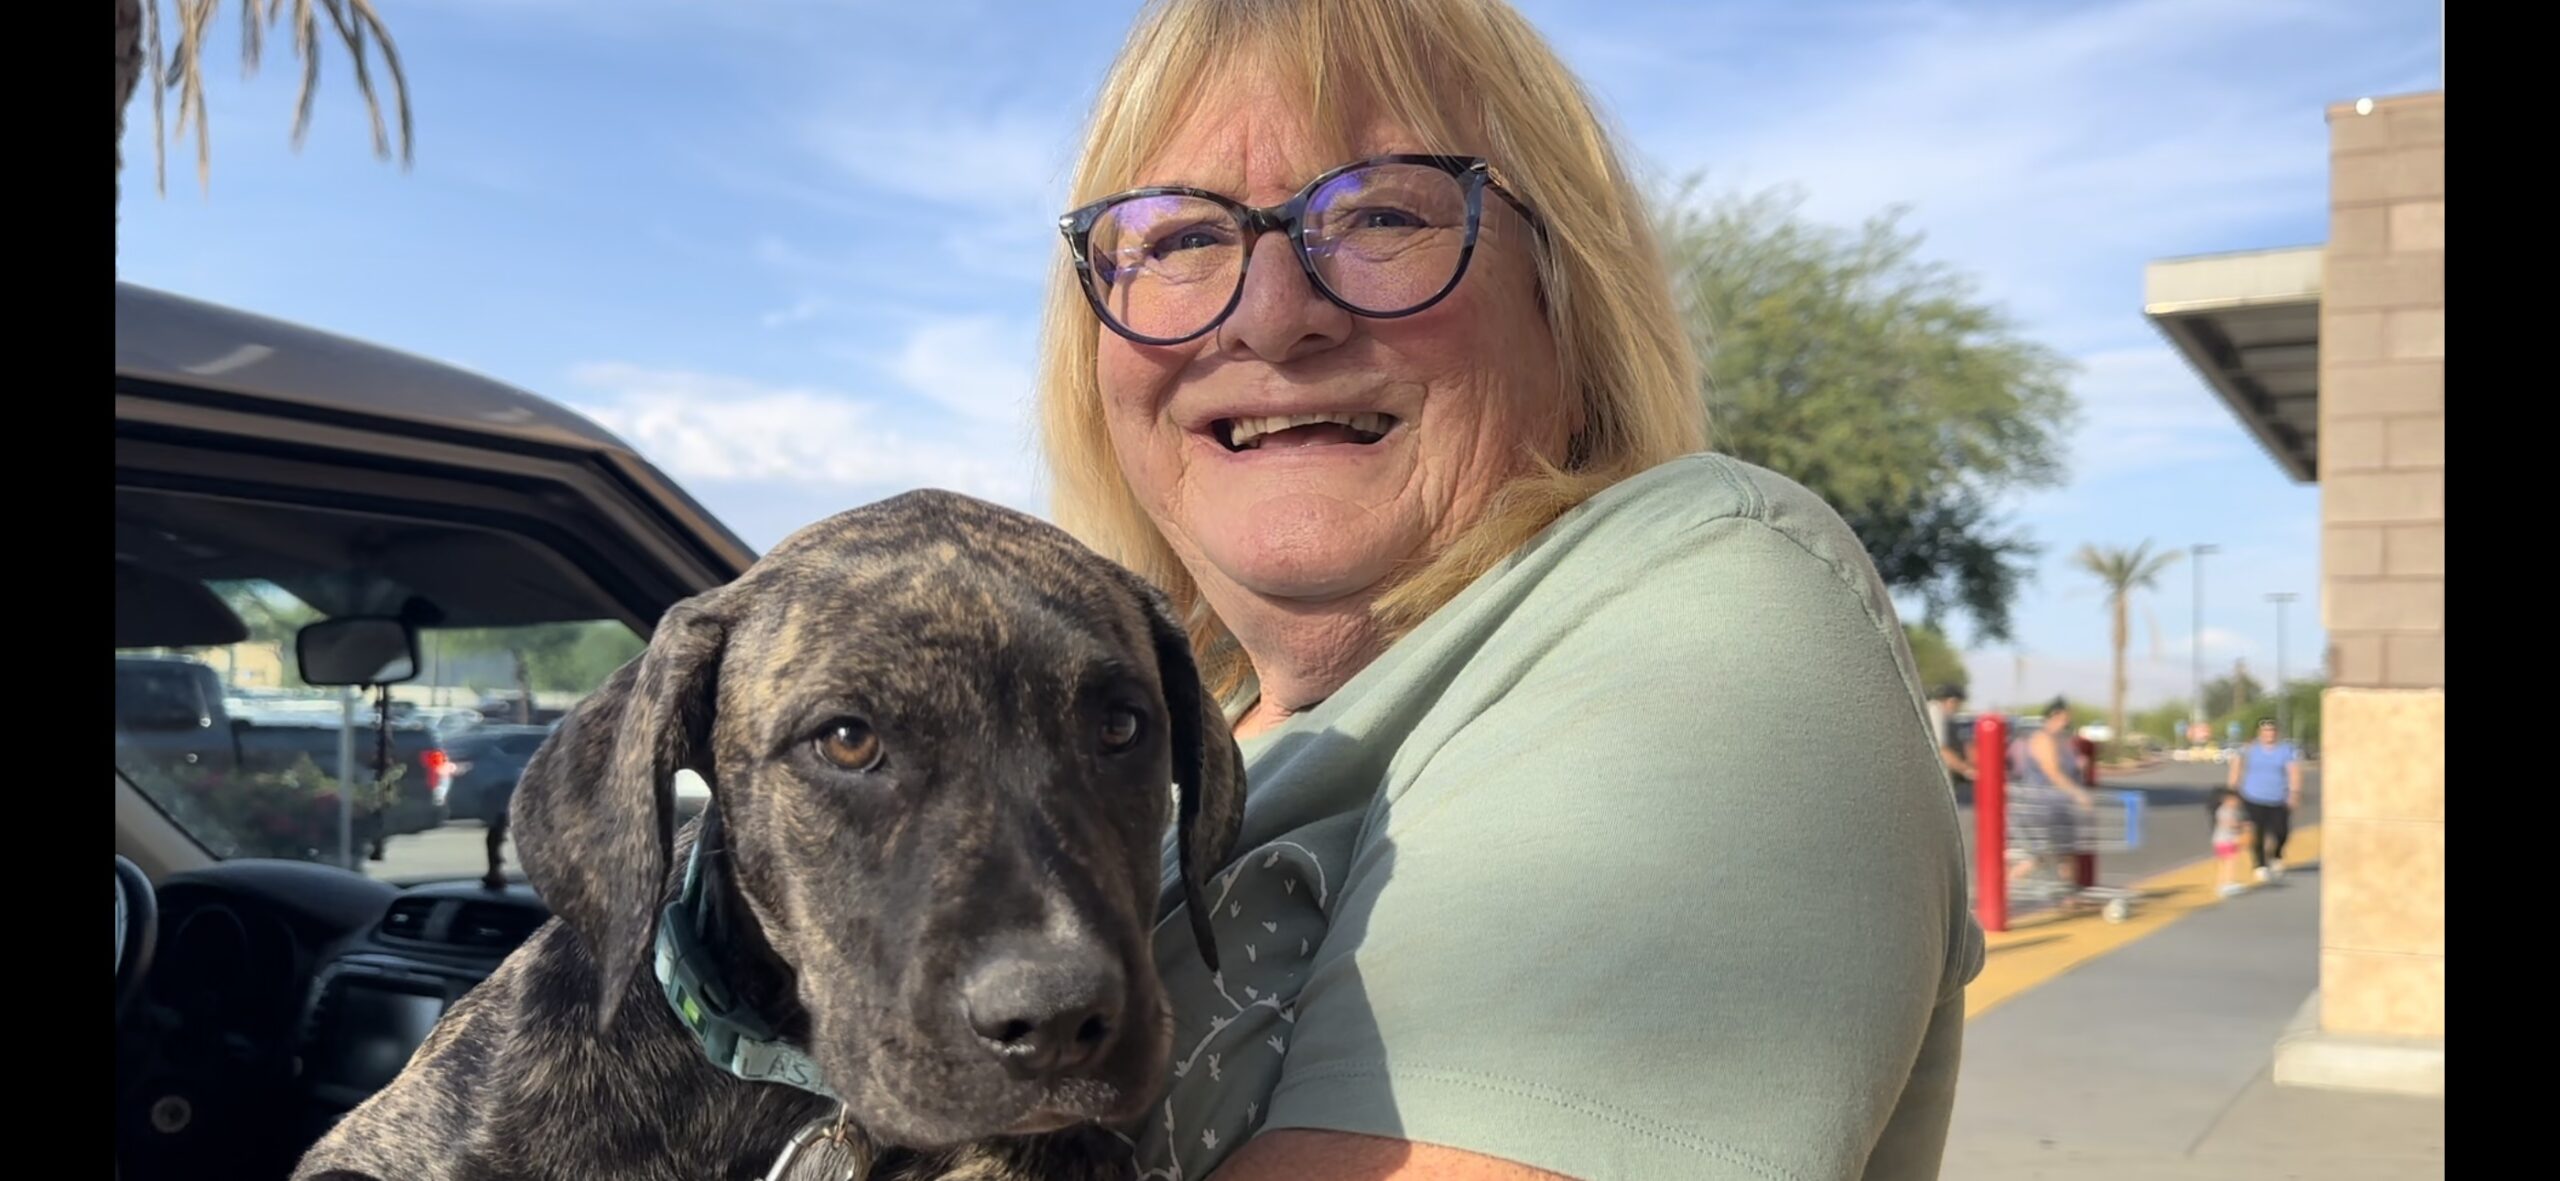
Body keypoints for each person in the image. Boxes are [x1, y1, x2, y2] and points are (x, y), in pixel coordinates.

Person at [1037, 2, 1980, 1176]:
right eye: (1181, 238)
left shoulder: (1699, 619)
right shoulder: (1171, 728)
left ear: (1569, 299)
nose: (1271, 317)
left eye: (1382, 214)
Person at [2004, 699, 2095, 893]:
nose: (2068, 720)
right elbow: (2052, 771)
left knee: (2063, 854)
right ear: (2054, 715)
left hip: (2058, 806)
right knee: (2045, 854)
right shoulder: (2043, 739)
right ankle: (2005, 885)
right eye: (2065, 716)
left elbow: (2069, 768)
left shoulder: (2062, 740)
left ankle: (2069, 897)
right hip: (2043, 805)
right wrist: (2078, 794)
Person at [2228, 718, 2304, 883]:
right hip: (2253, 797)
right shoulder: (2250, 749)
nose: (2269, 734)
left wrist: (2295, 793)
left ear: (2277, 733)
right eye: (2265, 730)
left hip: (2278, 798)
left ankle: (2276, 855)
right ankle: (2260, 865)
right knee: (2257, 832)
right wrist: (2233, 789)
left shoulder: (2286, 750)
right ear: (2259, 733)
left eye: (2272, 730)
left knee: (2281, 832)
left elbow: (2293, 772)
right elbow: (2237, 766)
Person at [1927, 685, 1975, 792]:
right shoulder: (1934, 712)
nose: (1957, 708)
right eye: (1957, 704)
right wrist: (1967, 770)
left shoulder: (1943, 716)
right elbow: (1941, 750)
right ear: (1952, 701)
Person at [2209, 787, 2249, 898]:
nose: (2237, 803)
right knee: (2230, 862)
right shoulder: (2226, 811)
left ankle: (2222, 883)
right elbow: (2229, 824)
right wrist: (2243, 825)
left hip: (2220, 840)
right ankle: (2228, 882)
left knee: (2223, 863)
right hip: (2227, 840)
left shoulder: (2225, 811)